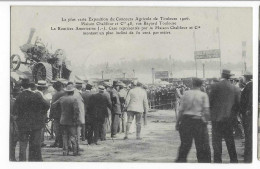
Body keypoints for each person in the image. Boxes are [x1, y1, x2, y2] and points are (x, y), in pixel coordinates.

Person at [175, 78, 211, 163]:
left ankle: (180, 163)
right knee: (201, 146)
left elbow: (181, 110)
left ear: (192, 84)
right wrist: (206, 121)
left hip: (186, 121)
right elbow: (206, 111)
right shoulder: (203, 95)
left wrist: (177, 123)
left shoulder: (186, 94)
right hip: (198, 121)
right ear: (201, 85)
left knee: (184, 146)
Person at [14, 78, 50, 161]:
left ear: (21, 86)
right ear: (30, 86)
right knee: (35, 144)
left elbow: (15, 111)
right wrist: (40, 113)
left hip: (22, 124)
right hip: (35, 124)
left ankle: (22, 161)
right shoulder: (36, 95)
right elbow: (47, 105)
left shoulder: (19, 97)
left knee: (23, 144)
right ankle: (33, 160)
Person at [209, 69, 240, 163]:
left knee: (217, 143)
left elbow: (210, 102)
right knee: (230, 141)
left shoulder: (214, 86)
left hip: (216, 119)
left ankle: (218, 163)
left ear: (221, 75)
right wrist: (233, 117)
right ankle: (234, 161)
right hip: (229, 119)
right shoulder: (235, 88)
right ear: (229, 77)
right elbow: (237, 105)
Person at [52, 84, 81, 156]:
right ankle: (75, 151)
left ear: (67, 92)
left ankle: (65, 151)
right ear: (73, 91)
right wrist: (77, 120)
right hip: (72, 120)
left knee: (64, 136)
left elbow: (53, 105)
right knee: (73, 136)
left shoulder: (62, 98)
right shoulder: (74, 99)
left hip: (63, 120)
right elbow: (76, 111)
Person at [240, 71, 253, 163]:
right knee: (248, 134)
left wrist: (247, 109)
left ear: (246, 77)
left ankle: (248, 155)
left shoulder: (249, 86)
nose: (243, 78)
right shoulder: (249, 85)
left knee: (248, 134)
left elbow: (249, 99)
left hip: (247, 114)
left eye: (243, 77)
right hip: (246, 113)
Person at [49, 81, 66, 148]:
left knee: (57, 129)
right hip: (65, 113)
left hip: (57, 115)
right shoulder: (66, 93)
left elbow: (52, 105)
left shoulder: (55, 95)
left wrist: (50, 114)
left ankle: (58, 142)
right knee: (63, 129)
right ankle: (63, 143)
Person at [10, 86, 20, 161]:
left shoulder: (10, 101)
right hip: (13, 123)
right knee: (13, 141)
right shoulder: (15, 102)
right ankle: (12, 157)